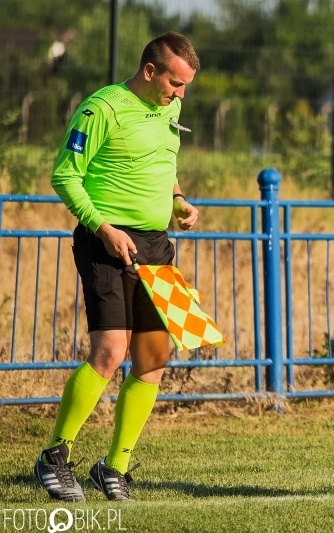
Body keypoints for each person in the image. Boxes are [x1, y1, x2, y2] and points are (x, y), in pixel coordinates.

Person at [34, 32, 200, 502]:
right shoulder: (100, 108)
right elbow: (64, 174)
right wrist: (104, 228)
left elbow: (161, 165)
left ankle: (115, 468)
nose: (180, 94)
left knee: (154, 358)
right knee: (110, 353)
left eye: (186, 86)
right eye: (175, 83)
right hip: (106, 242)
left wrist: (178, 200)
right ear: (150, 71)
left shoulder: (171, 108)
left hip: (157, 246)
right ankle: (54, 456)